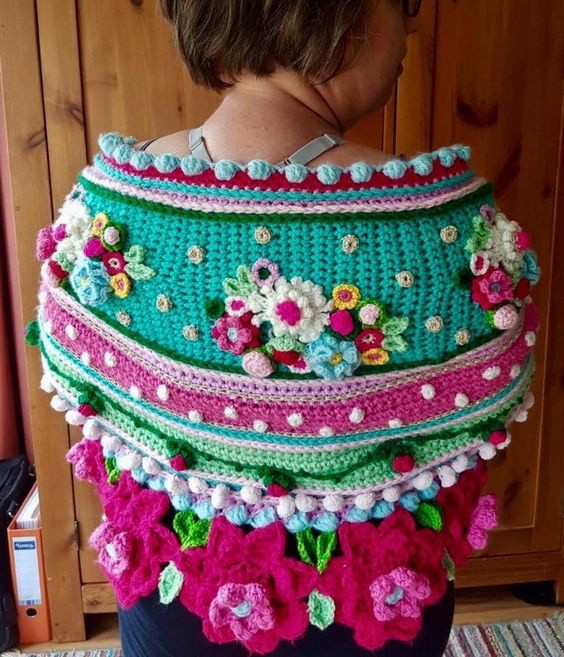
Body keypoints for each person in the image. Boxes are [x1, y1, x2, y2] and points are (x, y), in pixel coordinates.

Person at [31, 1, 542, 656]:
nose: (411, 25)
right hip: (378, 604)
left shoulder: (107, 204)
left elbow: (70, 365)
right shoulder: (439, 227)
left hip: (172, 594)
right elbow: (499, 384)